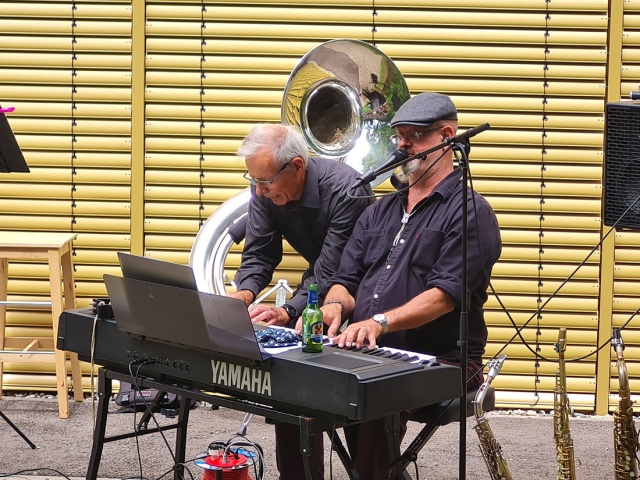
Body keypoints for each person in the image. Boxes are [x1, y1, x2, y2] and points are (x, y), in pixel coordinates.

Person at [308, 92, 502, 479]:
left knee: (379, 399)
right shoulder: (378, 210)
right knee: (298, 396)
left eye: (413, 135)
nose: (401, 144)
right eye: (398, 135)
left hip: (443, 359)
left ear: (446, 135)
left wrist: (378, 322)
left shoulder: (471, 213)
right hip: (370, 350)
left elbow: (445, 296)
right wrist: (334, 307)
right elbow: (345, 281)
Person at [228, 123, 374, 480]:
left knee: (354, 388)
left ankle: (373, 472)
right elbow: (259, 252)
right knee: (290, 381)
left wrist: (289, 309)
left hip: (361, 290)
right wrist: (242, 296)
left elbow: (335, 265)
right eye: (254, 182)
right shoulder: (263, 189)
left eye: (265, 182)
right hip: (318, 286)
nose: (259, 191)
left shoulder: (347, 189)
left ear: (297, 166)